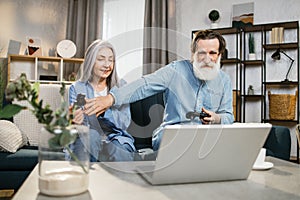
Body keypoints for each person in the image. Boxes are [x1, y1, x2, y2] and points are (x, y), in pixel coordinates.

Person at [83, 30, 234, 151]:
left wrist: (216, 118)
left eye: (212, 53)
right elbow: (145, 84)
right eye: (201, 53)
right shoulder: (176, 70)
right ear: (193, 55)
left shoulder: (225, 81)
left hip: (205, 137)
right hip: (172, 134)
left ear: (219, 55)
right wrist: (110, 99)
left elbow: (228, 116)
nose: (207, 58)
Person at [68, 39, 136, 162]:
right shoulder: (77, 88)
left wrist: (104, 110)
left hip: (116, 136)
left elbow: (124, 123)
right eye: (101, 59)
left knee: (120, 149)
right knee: (90, 137)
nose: (107, 65)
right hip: (88, 135)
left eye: (111, 60)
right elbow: (75, 121)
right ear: (90, 61)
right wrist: (75, 120)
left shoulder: (122, 87)